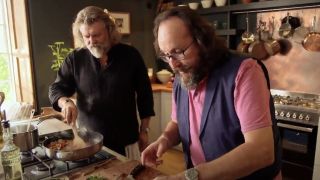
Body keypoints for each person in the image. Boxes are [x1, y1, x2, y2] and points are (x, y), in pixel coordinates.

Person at [141, 7, 282, 179]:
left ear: (202, 41)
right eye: (166, 55)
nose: (173, 65)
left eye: (178, 52)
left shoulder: (245, 71)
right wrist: (164, 139)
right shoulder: (182, 75)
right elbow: (178, 122)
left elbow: (261, 151)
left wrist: (185, 178)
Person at [49, 6, 155, 158]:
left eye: (96, 35)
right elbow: (56, 88)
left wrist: (144, 131)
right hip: (88, 141)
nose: (91, 41)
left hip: (126, 140)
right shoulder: (75, 59)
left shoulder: (130, 55)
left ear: (110, 31)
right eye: (86, 36)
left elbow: (145, 95)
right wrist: (66, 102)